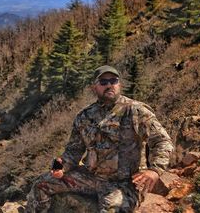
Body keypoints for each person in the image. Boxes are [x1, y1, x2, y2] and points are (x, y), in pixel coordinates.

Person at [26, 65, 173, 213]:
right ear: (94, 87)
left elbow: (162, 141)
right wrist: (61, 167)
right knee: (41, 184)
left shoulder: (135, 111)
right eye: (103, 82)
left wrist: (154, 170)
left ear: (119, 84)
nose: (109, 85)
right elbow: (73, 150)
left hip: (125, 182)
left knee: (112, 209)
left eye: (113, 81)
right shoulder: (84, 116)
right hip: (90, 177)